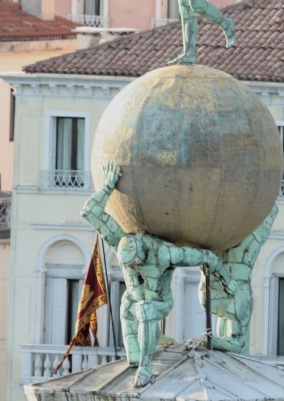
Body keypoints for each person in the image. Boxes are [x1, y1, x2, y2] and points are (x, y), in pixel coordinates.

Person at [81, 161, 233, 386]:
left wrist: (225, 282)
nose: (134, 268)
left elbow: (206, 257)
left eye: (136, 263)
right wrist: (109, 186)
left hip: (159, 301)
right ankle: (134, 357)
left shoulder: (163, 253)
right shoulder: (120, 240)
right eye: (128, 265)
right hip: (137, 297)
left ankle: (145, 368)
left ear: (143, 253)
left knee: (144, 309)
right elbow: (89, 212)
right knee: (127, 304)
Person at [200, 205, 278, 355]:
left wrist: (209, 341)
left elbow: (237, 344)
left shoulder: (238, 292)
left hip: (235, 289)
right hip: (227, 290)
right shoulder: (220, 245)